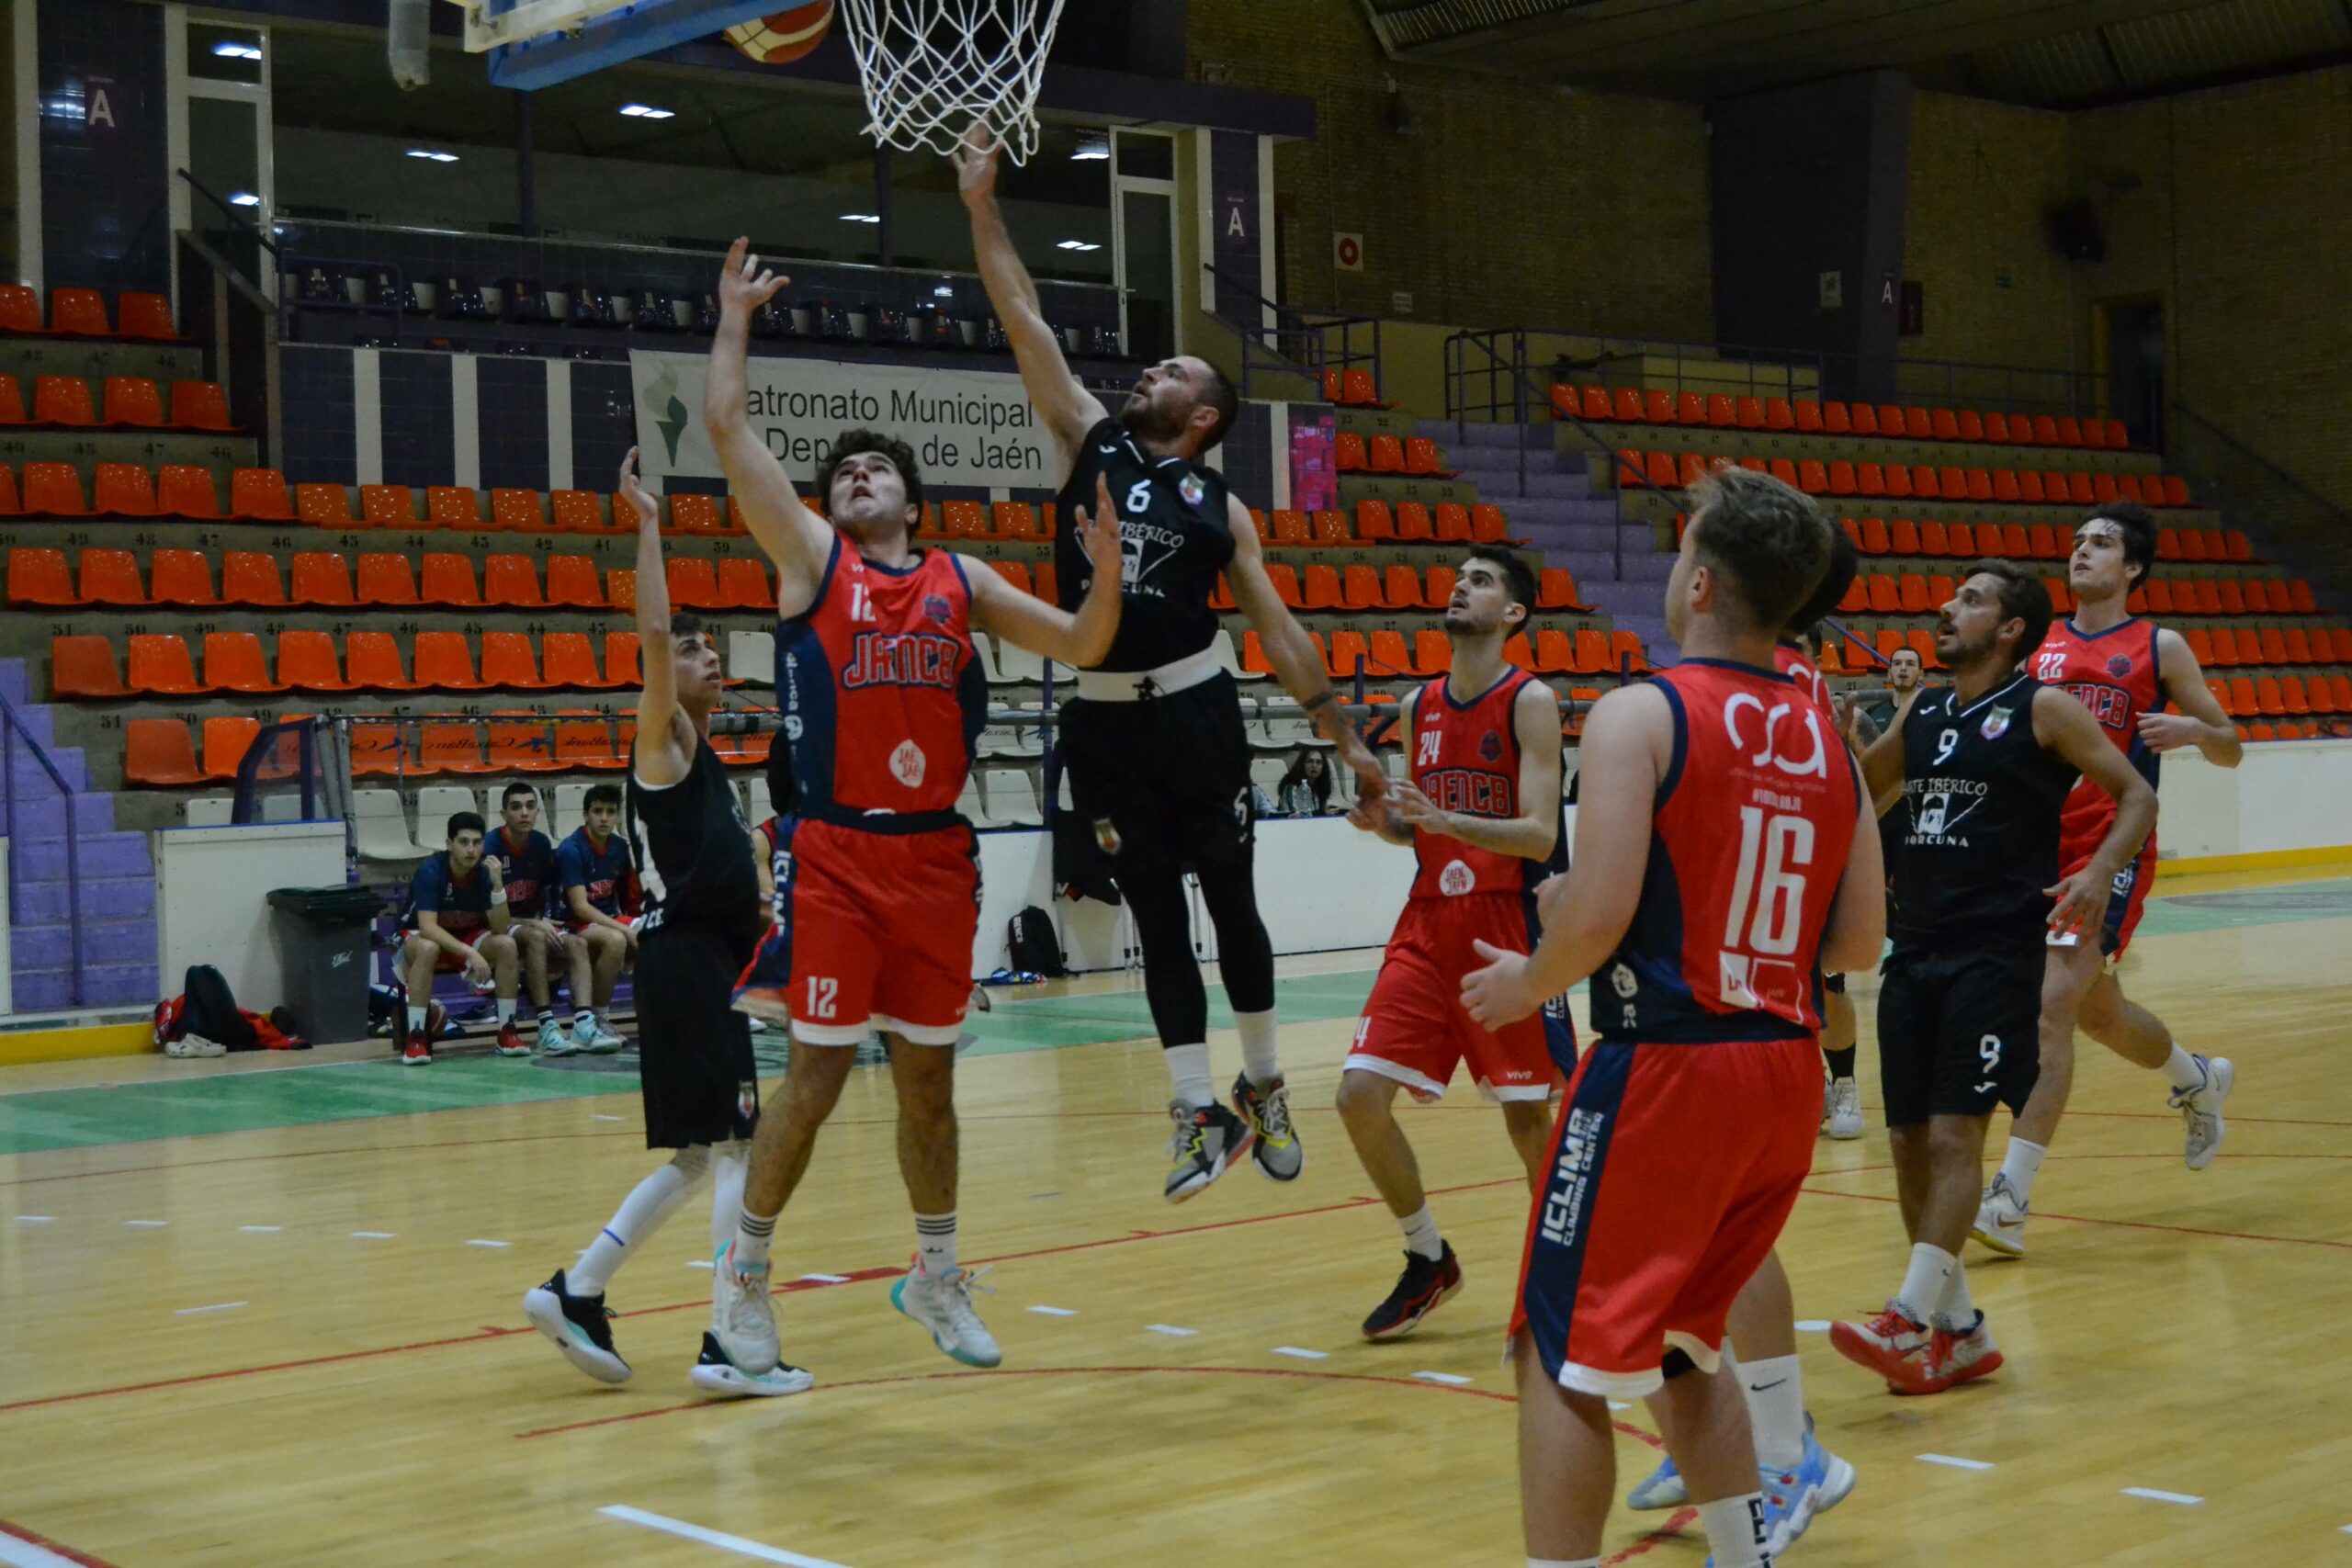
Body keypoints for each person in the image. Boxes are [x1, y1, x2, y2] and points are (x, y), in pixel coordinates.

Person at [699, 239, 1124, 1379]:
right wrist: (734, 319)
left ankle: (935, 1277)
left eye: (875, 467)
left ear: (912, 497)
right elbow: (732, 434)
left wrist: (1109, 561)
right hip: (836, 854)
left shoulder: (962, 581)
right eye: (842, 471)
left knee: (930, 1083)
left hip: (936, 859)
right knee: (818, 1077)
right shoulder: (811, 561)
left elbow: (1086, 643)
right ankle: (742, 1282)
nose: (856, 477)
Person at [1463, 467, 1883, 1568]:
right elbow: (1853, 946)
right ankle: (1744, 1554)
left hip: (1669, 1067)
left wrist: (1528, 978)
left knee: (1555, 1353)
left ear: (1699, 581)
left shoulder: (1642, 712)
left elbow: (1596, 914)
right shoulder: (1824, 730)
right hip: (1783, 1069)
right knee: (1690, 1345)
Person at [959, 124, 1385, 1203]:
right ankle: (1195, 1108)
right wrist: (979, 205)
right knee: (1153, 914)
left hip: (1195, 710)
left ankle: (1264, 1082)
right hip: (1101, 718)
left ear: (1200, 416)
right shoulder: (1088, 441)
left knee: (1231, 905)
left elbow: (1279, 629)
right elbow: (1024, 322)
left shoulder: (1222, 506)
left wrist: (1341, 735)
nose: (1145, 370)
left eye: (1171, 370)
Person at [1830, 564, 2156, 1397]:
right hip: (1918, 947)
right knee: (1906, 1142)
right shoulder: (1926, 706)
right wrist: (1835, 744)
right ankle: (1962, 1330)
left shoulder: (2044, 707)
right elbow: (1862, 789)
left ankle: (1907, 1315)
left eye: (1970, 600)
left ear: (2011, 628)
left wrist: (2097, 874)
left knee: (1951, 1138)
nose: (1947, 607)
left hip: (1997, 952)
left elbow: (2135, 794)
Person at [524, 451, 808, 1398]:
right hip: (684, 965)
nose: (708, 657)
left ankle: (580, 1286)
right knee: (737, 1148)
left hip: (703, 965)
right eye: (695, 650)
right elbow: (650, 632)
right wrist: (647, 521)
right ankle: (731, 1336)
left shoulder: (708, 757)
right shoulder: (663, 735)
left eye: (713, 648)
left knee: (704, 1152)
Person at [1625, 523, 1867, 1544]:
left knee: (1710, 1254)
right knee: (1699, 1253)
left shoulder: (1775, 698)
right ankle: (1745, 1450)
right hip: (1743, 1016)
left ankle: (1779, 1452)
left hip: (1721, 1010)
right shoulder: (1784, 695)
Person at [1973, 503, 2240, 1258]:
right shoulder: (2038, 643)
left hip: (2110, 852)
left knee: (2053, 1006)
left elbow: (2231, 748)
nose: (2082, 550)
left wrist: (2195, 731)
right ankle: (2198, 1078)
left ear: (2132, 569)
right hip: (2034, 850)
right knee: (2099, 1014)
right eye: (2077, 541)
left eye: (2101, 542)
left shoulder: (2160, 646)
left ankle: (2010, 1199)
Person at [1337, 545, 1566, 1340]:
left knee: (1527, 1120)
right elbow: (1423, 831)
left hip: (1506, 928)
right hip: (1428, 922)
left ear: (1513, 613)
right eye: (1457, 577)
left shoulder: (1531, 701)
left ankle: (1558, 1277)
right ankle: (1428, 1255)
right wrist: (1390, 826)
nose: (1459, 587)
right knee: (1357, 1095)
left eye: (1481, 581)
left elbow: (1538, 836)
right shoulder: (1416, 706)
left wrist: (1443, 820)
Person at [395, 813, 517, 1066]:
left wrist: (498, 886)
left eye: (476, 842)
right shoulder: (431, 871)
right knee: (429, 948)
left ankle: (507, 1031)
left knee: (507, 945)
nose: (471, 849)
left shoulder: (485, 872)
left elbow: (500, 927)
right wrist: (470, 953)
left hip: (464, 935)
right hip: (418, 935)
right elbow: (428, 927)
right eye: (463, 842)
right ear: (449, 844)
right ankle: (416, 1037)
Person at [485, 781, 593, 1055]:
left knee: (577, 944)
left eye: (531, 806)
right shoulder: (489, 847)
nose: (524, 813)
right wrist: (535, 923)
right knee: (535, 935)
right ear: (503, 814)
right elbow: (487, 914)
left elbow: (546, 893)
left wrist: (545, 919)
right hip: (497, 927)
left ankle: (584, 1022)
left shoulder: (542, 844)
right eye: (516, 807)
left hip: (532, 921)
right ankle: (546, 1025)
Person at [554, 784, 636, 1052]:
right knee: (615, 940)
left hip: (606, 916)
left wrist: (629, 923)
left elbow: (623, 895)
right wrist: (624, 929)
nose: (604, 818)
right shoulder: (571, 849)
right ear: (585, 816)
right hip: (570, 923)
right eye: (597, 811)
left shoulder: (620, 847)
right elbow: (580, 908)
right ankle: (599, 1018)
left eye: (611, 812)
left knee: (657, 934)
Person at [1859, 646, 1922, 734]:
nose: (1903, 668)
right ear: (1889, 674)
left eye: (1910, 664)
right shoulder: (1872, 713)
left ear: (1921, 675)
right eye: (1897, 663)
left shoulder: (1935, 713)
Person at [1276, 748, 1336, 818]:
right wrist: (1322, 813)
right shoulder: (1292, 786)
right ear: (1302, 764)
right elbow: (1297, 815)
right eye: (1310, 761)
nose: (1314, 765)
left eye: (1318, 762)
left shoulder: (1320, 786)